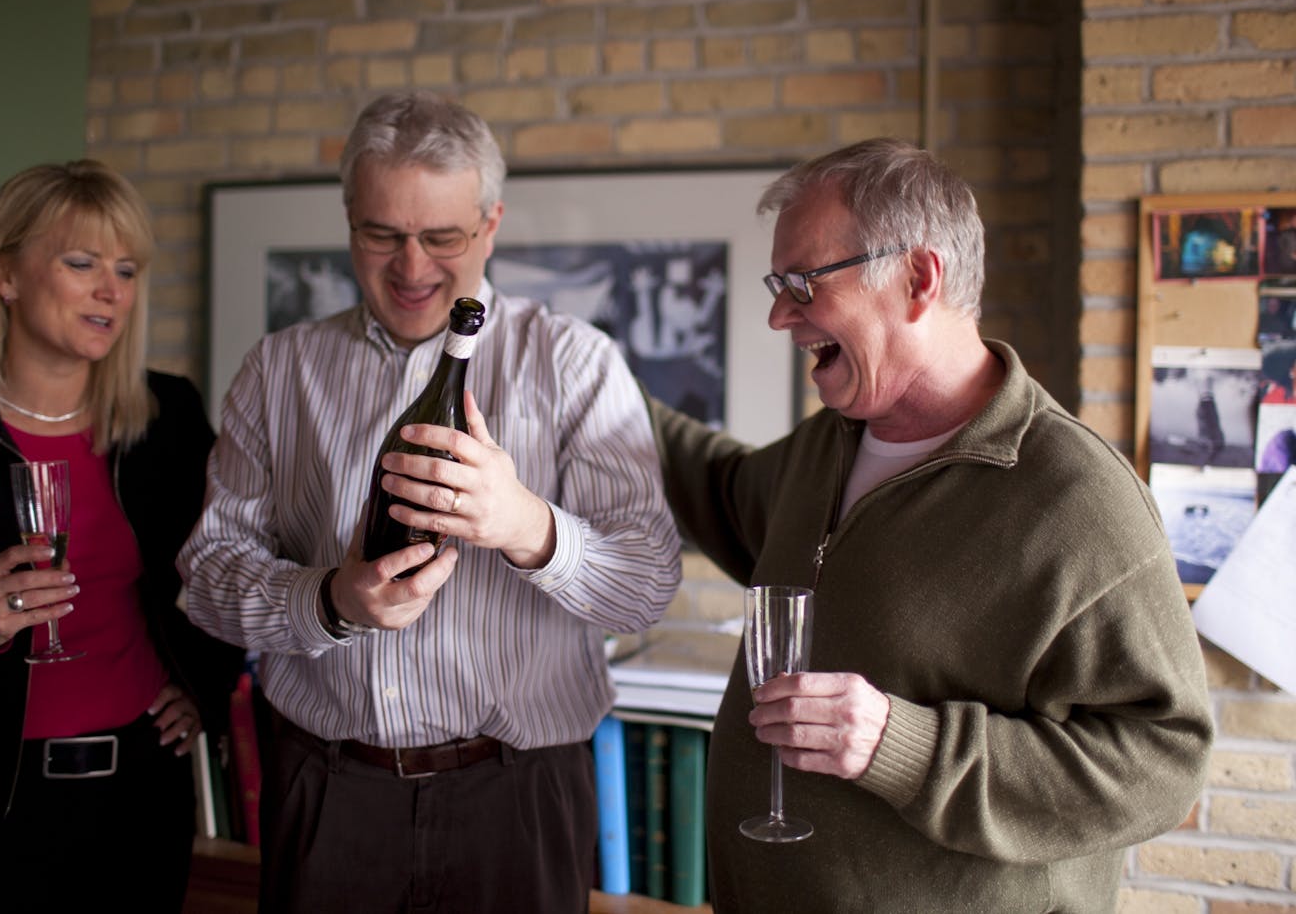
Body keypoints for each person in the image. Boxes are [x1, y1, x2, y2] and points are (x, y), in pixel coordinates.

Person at [648, 138, 1214, 912]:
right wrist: (588, 375)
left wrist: (900, 743)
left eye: (802, 281)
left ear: (919, 277)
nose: (780, 313)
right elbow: (717, 485)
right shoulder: (827, 442)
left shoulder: (1076, 498)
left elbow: (1164, 763)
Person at [178, 90, 681, 913]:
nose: (411, 267)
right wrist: (330, 600)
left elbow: (648, 584)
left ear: (490, 223)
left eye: (442, 236)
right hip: (328, 792)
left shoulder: (577, 364)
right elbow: (206, 580)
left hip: (518, 798)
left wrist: (526, 525)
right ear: (348, 222)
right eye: (382, 234)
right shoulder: (277, 372)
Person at [0, 160, 243, 910]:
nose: (113, 290)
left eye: (127, 269)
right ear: (5, 275)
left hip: (139, 797)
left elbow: (231, 561)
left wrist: (203, 684)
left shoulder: (165, 419)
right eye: (82, 263)